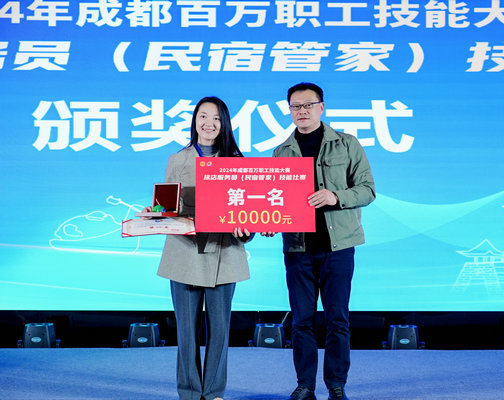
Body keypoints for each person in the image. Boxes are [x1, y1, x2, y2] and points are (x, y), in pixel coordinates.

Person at [265, 82, 375, 400]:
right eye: (295, 106)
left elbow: (368, 190)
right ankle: (305, 385)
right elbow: (275, 200)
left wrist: (335, 196)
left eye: (308, 105)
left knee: (338, 319)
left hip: (338, 247)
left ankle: (336, 385)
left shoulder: (347, 144)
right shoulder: (281, 152)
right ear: (289, 110)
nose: (302, 111)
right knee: (301, 321)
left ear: (321, 107)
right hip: (298, 249)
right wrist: (269, 221)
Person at [146, 96, 252, 400]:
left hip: (224, 253)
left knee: (220, 331)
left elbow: (248, 214)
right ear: (194, 121)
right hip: (184, 253)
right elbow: (166, 205)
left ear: (224, 124)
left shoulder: (238, 163)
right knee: (186, 332)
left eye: (216, 118)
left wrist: (247, 230)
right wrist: (155, 212)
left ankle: (214, 392)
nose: (209, 123)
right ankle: (190, 393)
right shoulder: (178, 159)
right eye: (203, 116)